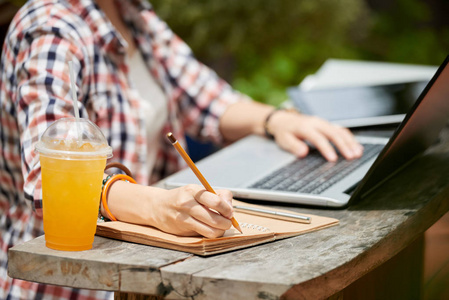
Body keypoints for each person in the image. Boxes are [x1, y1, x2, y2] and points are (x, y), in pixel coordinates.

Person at [0, 0, 363, 299]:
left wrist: (277, 120)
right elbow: (54, 178)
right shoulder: (49, 28)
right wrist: (161, 207)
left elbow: (207, 99)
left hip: (147, 266)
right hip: (66, 283)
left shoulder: (134, 15)